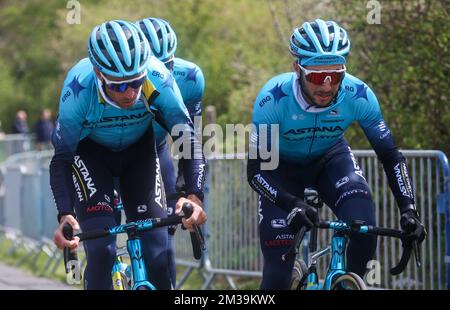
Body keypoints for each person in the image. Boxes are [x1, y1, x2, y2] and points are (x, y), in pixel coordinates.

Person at [247, 19, 426, 289]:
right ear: (297, 68)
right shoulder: (273, 100)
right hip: (280, 171)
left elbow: (390, 156)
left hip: (330, 159)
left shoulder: (358, 94)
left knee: (364, 228)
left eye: (336, 75)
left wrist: (409, 210)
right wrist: (289, 203)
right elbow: (256, 173)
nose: (328, 86)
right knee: (277, 269)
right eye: (317, 77)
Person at [50, 20, 207, 290]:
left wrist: (193, 195)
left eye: (135, 82)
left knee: (159, 252)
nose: (131, 93)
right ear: (99, 75)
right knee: (102, 251)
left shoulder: (157, 78)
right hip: (91, 154)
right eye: (119, 86)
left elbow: (189, 140)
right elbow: (61, 160)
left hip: (140, 153)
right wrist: (65, 214)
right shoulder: (78, 90)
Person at [136, 17, 205, 286]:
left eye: (168, 65)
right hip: (116, 150)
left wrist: (188, 190)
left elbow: (190, 140)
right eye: (155, 67)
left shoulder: (190, 78)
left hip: (157, 148)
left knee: (163, 239)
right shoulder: (125, 79)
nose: (161, 74)